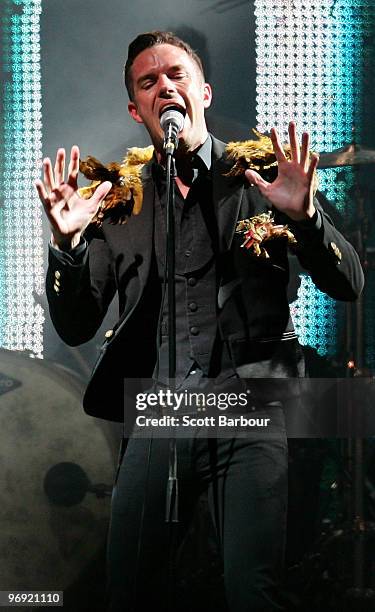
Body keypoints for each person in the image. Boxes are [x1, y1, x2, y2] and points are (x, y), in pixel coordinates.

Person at [35, 31, 364, 612]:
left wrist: (307, 218)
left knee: (251, 591)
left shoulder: (263, 178)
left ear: (204, 91)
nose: (165, 86)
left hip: (250, 410)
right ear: (136, 109)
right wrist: (67, 247)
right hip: (159, 413)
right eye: (148, 82)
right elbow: (76, 325)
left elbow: (349, 284)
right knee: (130, 589)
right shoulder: (119, 202)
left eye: (177, 75)